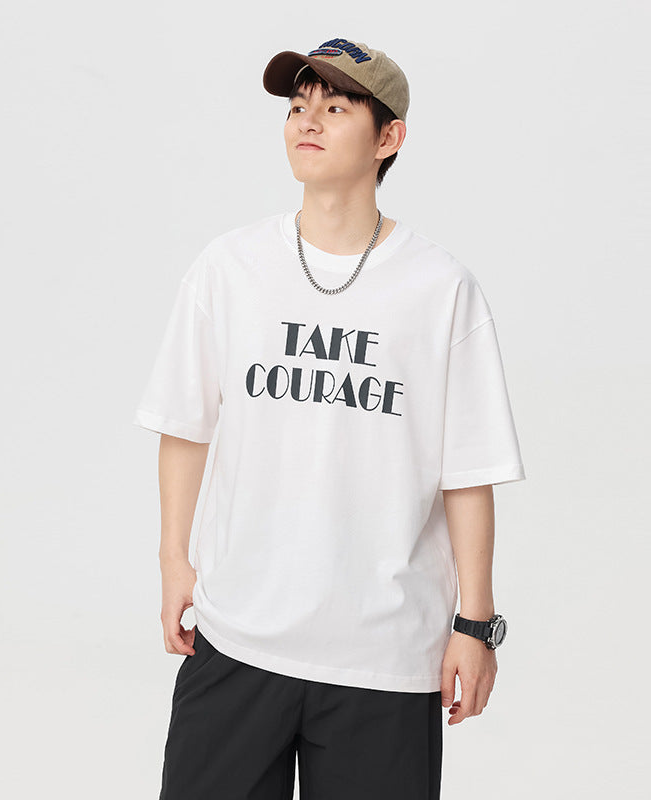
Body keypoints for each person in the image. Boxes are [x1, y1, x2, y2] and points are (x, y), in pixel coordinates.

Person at [133, 37, 526, 800]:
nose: (306, 121)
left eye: (336, 108)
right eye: (297, 106)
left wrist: (474, 625)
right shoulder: (230, 268)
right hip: (239, 636)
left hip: (383, 656)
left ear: (388, 138)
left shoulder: (440, 289)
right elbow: (184, 423)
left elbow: (468, 471)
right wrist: (173, 560)